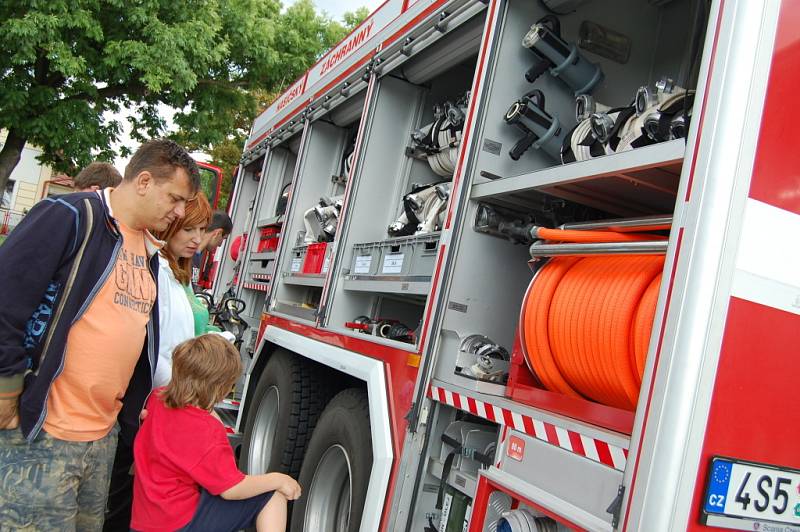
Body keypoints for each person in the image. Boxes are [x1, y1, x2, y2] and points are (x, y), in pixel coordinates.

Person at [0, 139, 199, 530]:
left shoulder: (147, 251)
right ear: (143, 181)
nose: (178, 212)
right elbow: (7, 302)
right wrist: (7, 391)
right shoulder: (69, 216)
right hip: (43, 434)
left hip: (101, 440)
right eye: (175, 198)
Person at [104, 192, 231, 531]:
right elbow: (154, 348)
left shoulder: (176, 274)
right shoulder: (155, 270)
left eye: (201, 229)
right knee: (122, 499)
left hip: (163, 404)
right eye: (188, 228)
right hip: (147, 405)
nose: (196, 239)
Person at [131, 334, 301, 532]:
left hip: (144, 521)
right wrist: (278, 479)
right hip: (178, 523)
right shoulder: (206, 430)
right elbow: (231, 489)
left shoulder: (157, 399)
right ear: (220, 388)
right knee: (271, 495)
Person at [192, 210, 233, 287]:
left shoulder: (196, 255)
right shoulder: (188, 254)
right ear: (218, 233)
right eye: (223, 238)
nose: (220, 245)